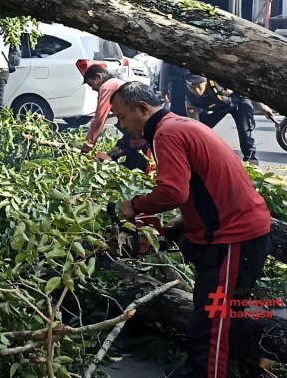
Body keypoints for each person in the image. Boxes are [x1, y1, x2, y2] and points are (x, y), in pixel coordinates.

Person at [110, 82, 272, 378]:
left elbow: (172, 192)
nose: (122, 127)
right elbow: (204, 183)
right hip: (231, 234)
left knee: (212, 327)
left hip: (233, 238)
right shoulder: (180, 125)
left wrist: (130, 206)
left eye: (122, 117)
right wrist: (182, 223)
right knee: (212, 319)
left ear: (143, 109)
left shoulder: (166, 133)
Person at [183, 74, 271, 165]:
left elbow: (245, 89)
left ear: (206, 81)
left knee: (245, 132)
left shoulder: (218, 79)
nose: (196, 91)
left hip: (238, 102)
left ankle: (251, 162)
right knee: (199, 130)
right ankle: (197, 159)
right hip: (219, 108)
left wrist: (262, 107)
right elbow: (195, 123)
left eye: (199, 86)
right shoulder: (189, 98)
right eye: (192, 88)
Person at [80, 64, 147, 171]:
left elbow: (98, 120)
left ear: (99, 77)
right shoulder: (117, 83)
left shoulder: (108, 86)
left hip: (140, 136)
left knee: (133, 168)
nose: (92, 89)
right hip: (135, 134)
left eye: (91, 84)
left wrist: (87, 146)